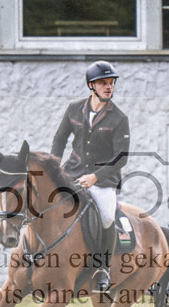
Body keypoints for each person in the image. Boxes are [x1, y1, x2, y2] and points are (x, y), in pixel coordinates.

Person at [51, 60, 130, 293]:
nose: (109, 87)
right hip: (71, 172)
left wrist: (95, 177)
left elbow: (121, 157)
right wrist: (55, 168)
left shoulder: (119, 118)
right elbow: (59, 139)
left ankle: (102, 269)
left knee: (106, 216)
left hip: (103, 180)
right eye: (103, 83)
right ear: (91, 85)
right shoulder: (74, 109)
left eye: (111, 83)